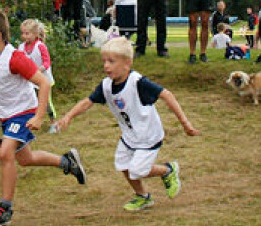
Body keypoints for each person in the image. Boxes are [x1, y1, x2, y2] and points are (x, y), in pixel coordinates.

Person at [0, 7, 87, 226]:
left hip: (24, 113)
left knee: (5, 153)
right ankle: (67, 162)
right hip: (6, 115)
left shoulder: (15, 58)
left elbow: (43, 83)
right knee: (25, 159)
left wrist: (40, 116)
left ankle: (5, 208)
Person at [55, 37, 199, 211]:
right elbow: (88, 101)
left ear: (127, 63)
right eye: (104, 61)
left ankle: (167, 170)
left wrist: (185, 123)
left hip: (148, 135)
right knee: (122, 165)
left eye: (111, 61)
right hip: (129, 136)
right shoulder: (106, 86)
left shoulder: (138, 83)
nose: (106, 66)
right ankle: (143, 197)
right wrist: (69, 116)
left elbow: (167, 95)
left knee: (137, 170)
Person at [19, 19, 56, 124]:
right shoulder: (21, 47)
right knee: (31, 100)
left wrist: (36, 70)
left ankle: (53, 121)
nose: (24, 36)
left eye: (27, 33)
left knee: (46, 102)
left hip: (44, 80)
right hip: (30, 80)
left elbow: (47, 62)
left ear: (35, 34)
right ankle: (32, 120)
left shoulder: (40, 46)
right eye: (22, 33)